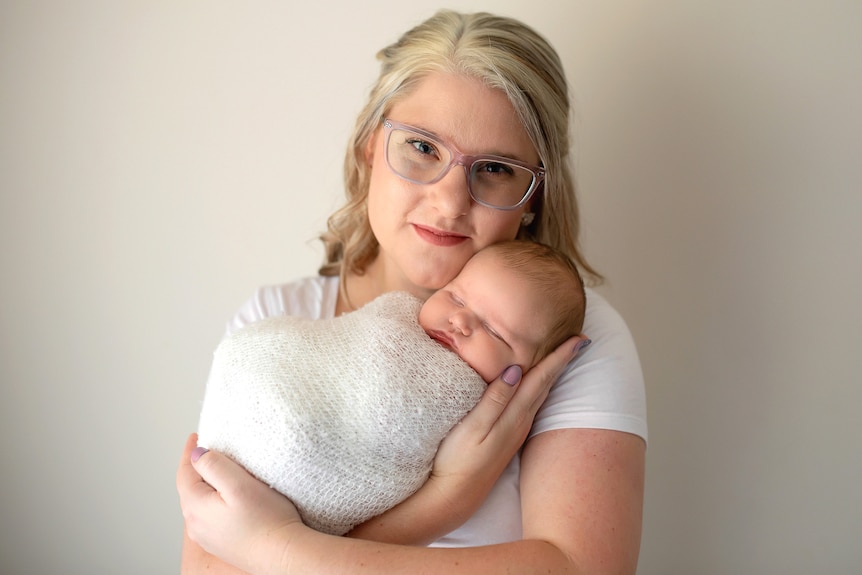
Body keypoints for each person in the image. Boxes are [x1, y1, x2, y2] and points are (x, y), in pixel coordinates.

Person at [177, 8, 647, 574]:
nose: (451, 201)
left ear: (533, 200)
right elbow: (207, 567)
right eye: (423, 148)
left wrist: (270, 548)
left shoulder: (567, 342)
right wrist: (443, 502)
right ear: (370, 147)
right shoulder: (279, 320)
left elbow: (581, 569)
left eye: (495, 167)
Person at [195, 240, 587, 537]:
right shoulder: (394, 316)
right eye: (456, 297)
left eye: (495, 331)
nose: (460, 321)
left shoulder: (488, 406)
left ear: (533, 370)